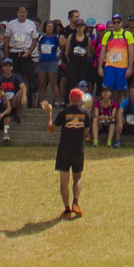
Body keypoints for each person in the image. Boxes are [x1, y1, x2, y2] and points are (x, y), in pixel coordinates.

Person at [54, 89, 92, 219]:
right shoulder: (86, 113)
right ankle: (75, 202)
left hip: (64, 149)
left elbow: (50, 129)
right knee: (77, 177)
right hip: (78, 149)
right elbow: (85, 131)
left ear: (69, 98)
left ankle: (67, 210)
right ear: (81, 100)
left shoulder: (63, 113)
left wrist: (48, 114)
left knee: (64, 181)